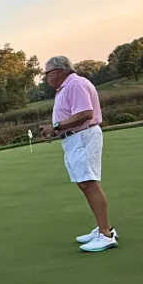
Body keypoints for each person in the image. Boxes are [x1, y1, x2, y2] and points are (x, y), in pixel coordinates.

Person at [40, 56, 118, 252]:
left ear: (59, 70)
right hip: (74, 138)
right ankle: (103, 228)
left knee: (89, 183)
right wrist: (54, 131)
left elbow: (85, 113)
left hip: (83, 137)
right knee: (84, 184)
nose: (46, 77)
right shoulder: (66, 87)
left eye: (48, 73)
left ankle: (105, 234)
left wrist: (56, 126)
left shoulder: (75, 84)